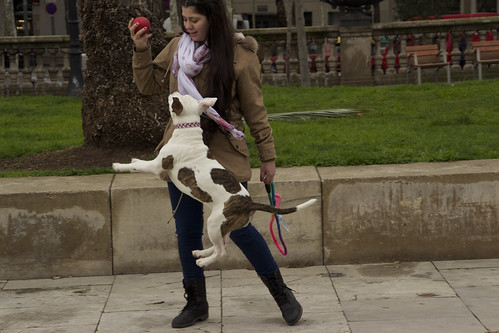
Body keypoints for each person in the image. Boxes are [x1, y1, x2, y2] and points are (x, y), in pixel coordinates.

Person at [128, 0, 302, 328]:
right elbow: (147, 85)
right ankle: (196, 304)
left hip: (223, 156)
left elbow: (255, 110)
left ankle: (283, 295)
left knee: (239, 227)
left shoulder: (240, 55)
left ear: (213, 18)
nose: (188, 25)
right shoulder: (178, 47)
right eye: (184, 19)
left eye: (195, 19)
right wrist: (140, 49)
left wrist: (268, 156)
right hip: (181, 156)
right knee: (188, 232)